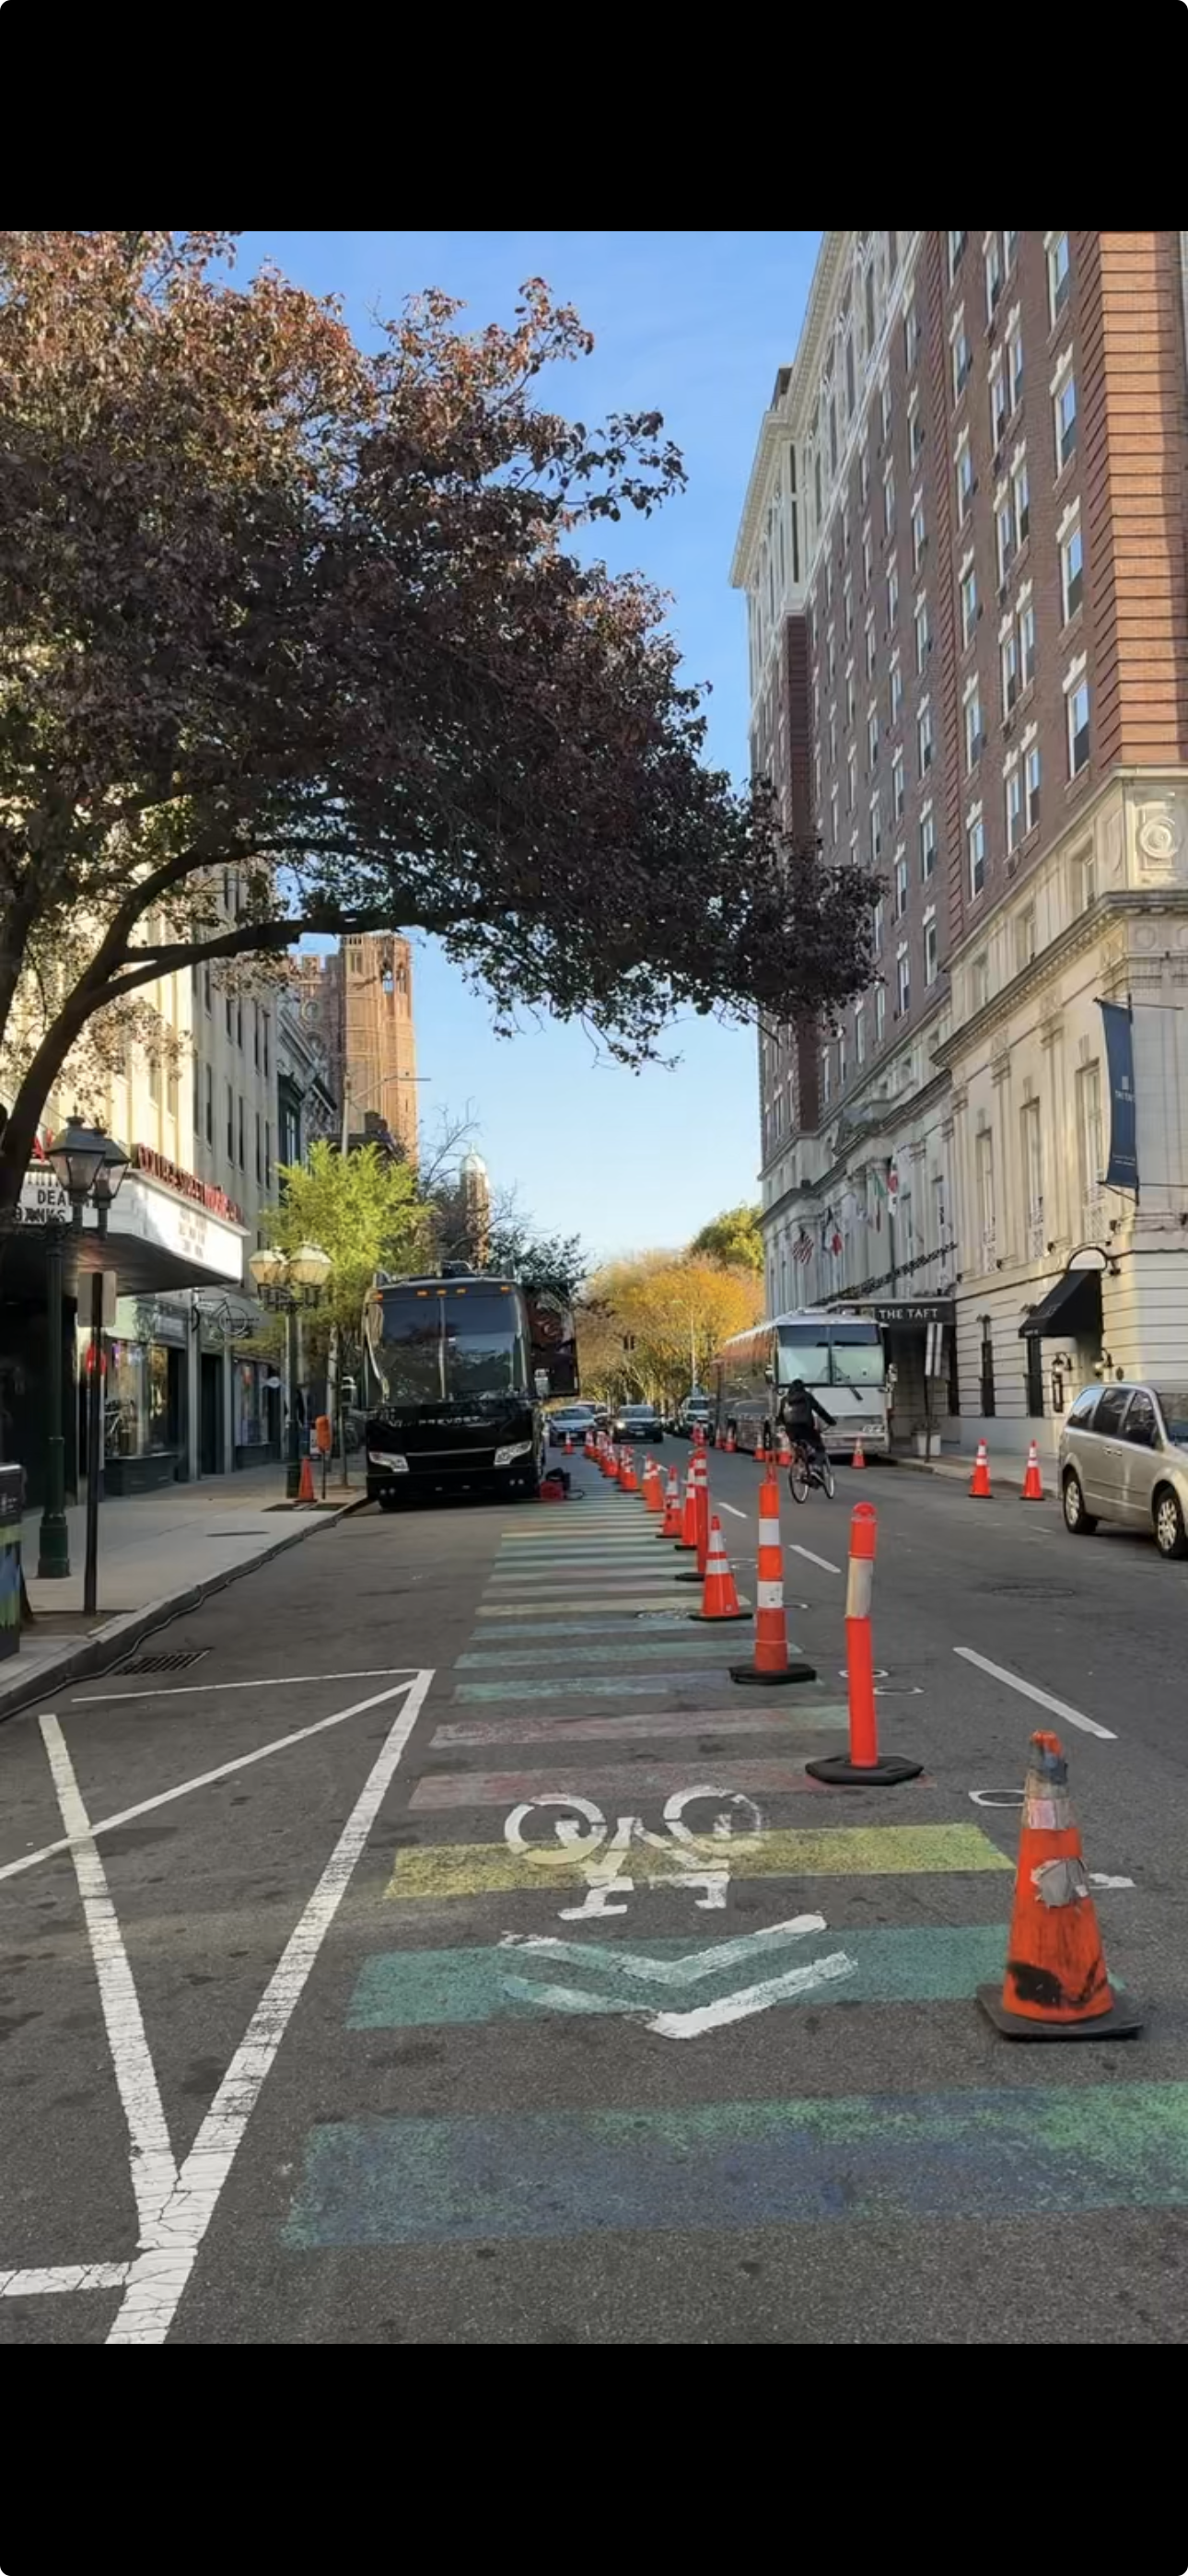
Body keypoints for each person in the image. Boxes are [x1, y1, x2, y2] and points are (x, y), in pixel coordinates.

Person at [778, 1377, 835, 1475]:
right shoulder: (806, 1396)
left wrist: (786, 1426)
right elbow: (819, 1410)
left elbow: (781, 1417)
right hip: (806, 1428)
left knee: (799, 1447)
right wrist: (831, 1421)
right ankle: (816, 1467)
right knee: (819, 1448)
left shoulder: (784, 1400)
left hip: (791, 1431)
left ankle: (802, 1468)